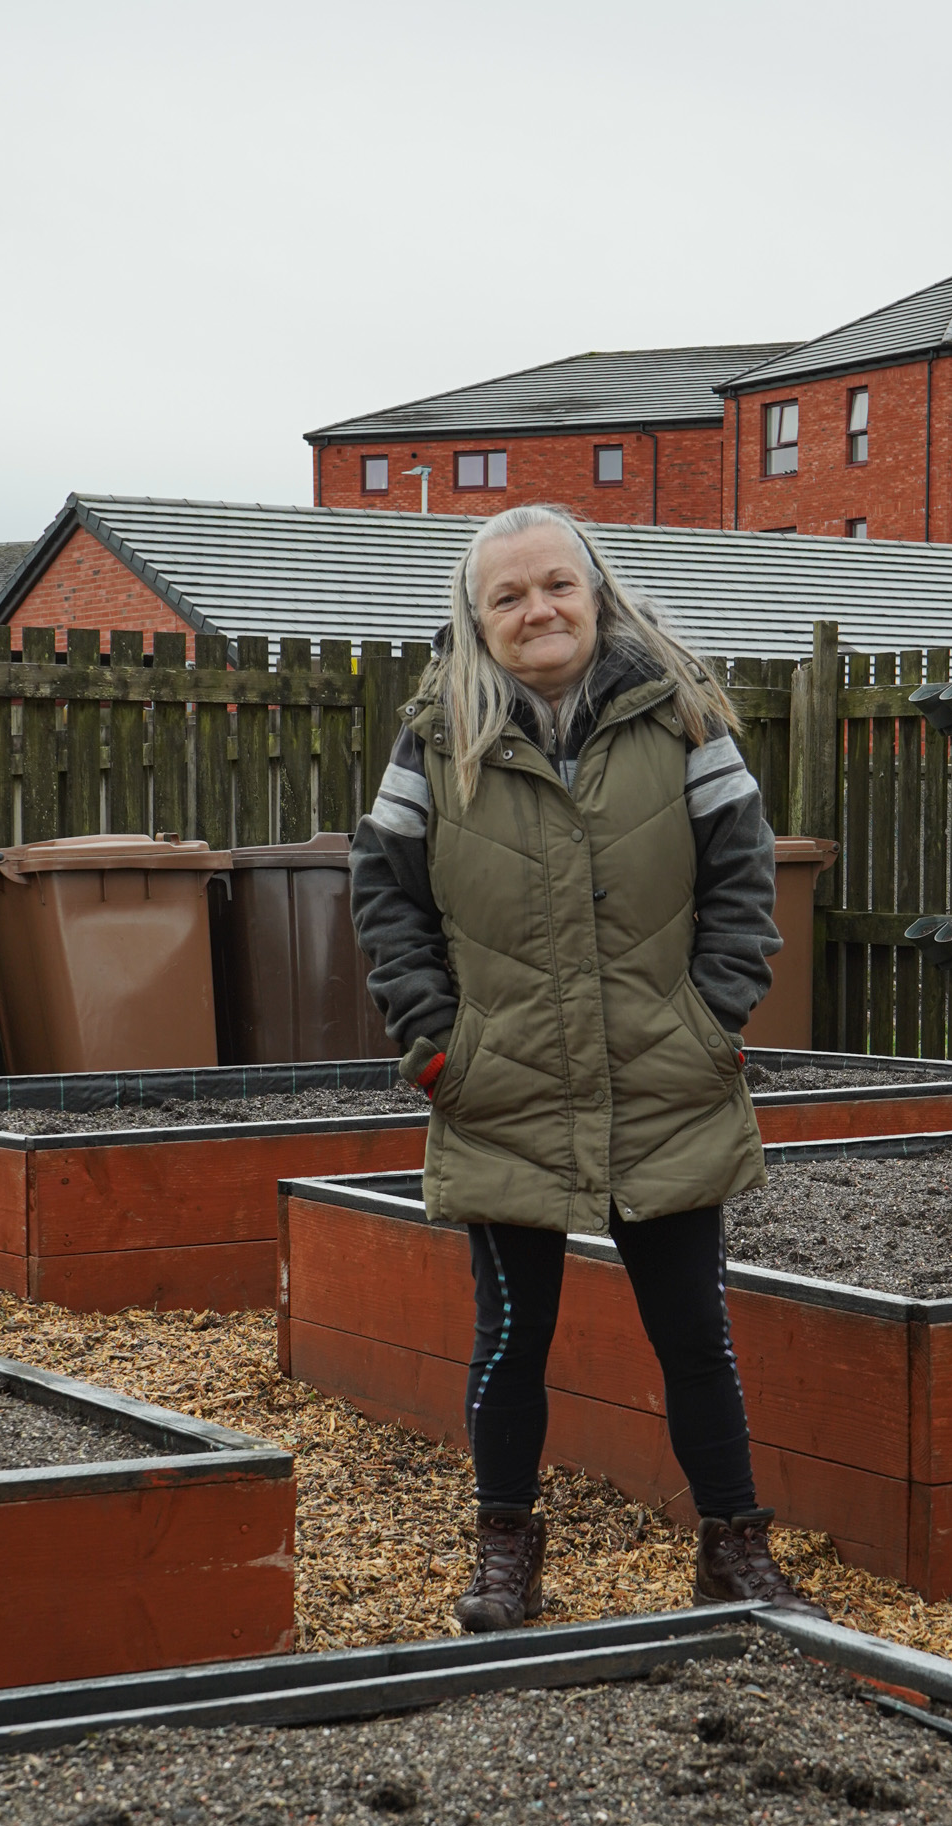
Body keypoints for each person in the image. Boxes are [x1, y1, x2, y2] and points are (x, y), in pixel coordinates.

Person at [350, 504, 823, 1631]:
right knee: (511, 1339)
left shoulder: (685, 714)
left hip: (668, 1079)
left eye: (555, 585)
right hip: (500, 1085)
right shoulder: (435, 733)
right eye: (506, 597)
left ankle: (732, 1548)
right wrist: (436, 1051)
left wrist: (710, 1019)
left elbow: (743, 880)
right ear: (476, 619)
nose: (536, 611)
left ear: (596, 589)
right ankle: (505, 1552)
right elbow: (384, 899)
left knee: (694, 1337)